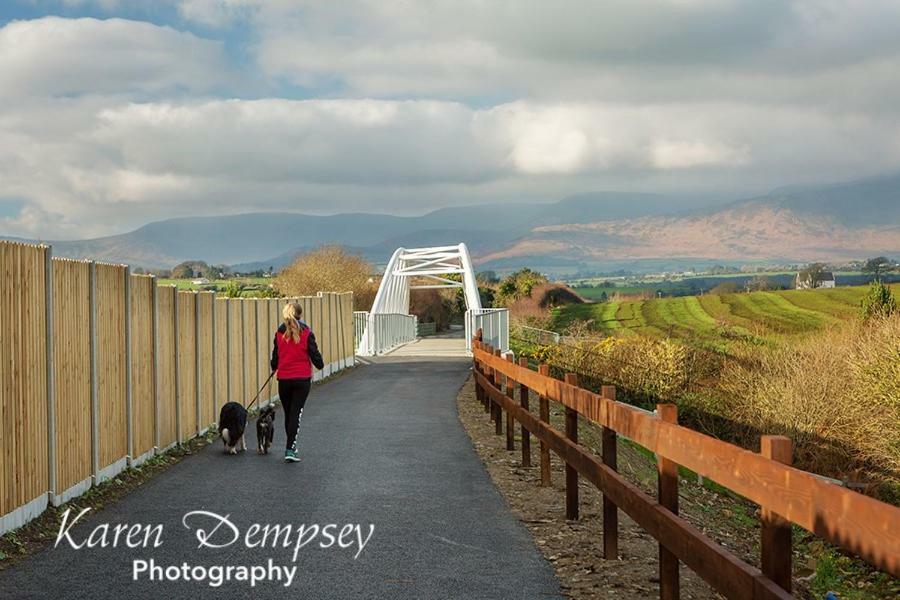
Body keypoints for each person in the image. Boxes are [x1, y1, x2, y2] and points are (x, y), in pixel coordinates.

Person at [270, 301, 324, 462]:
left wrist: (274, 367)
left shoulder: (279, 332)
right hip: (302, 379)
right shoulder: (306, 331)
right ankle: (290, 449)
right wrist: (320, 365)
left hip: (284, 379)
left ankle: (290, 446)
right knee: (296, 414)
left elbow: (276, 355)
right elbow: (314, 352)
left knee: (289, 414)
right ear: (300, 314)